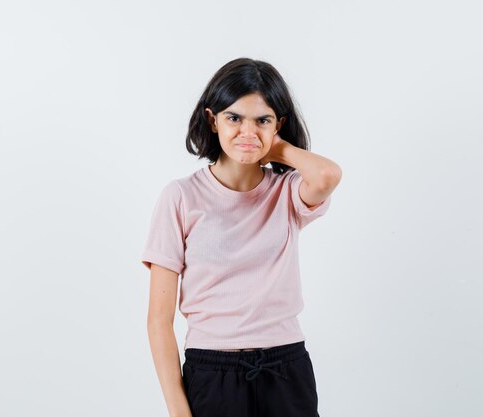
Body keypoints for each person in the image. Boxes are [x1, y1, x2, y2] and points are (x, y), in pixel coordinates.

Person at [141, 57, 342, 417]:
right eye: (234, 118)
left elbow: (327, 175)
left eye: (262, 120)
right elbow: (158, 320)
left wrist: (275, 147)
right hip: (212, 372)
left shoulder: (288, 193)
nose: (247, 131)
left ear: (278, 125)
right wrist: (178, 411)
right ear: (212, 119)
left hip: (286, 368)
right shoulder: (181, 197)